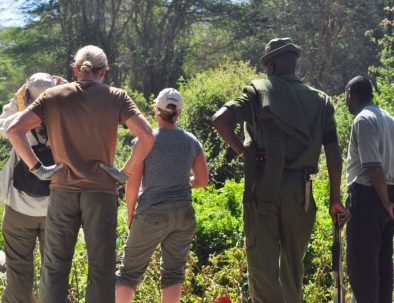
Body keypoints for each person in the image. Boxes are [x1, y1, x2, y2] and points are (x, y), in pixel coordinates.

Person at [6, 45, 155, 303]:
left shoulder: (53, 96)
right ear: (104, 72)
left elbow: (14, 130)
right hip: (101, 193)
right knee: (101, 268)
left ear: (75, 70)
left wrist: (39, 169)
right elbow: (147, 136)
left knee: (54, 268)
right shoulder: (117, 97)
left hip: (62, 191)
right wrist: (125, 172)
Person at [212, 37, 348, 303]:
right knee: (293, 267)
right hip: (302, 193)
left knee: (262, 267)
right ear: (295, 63)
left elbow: (220, 120)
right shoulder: (321, 101)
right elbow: (334, 153)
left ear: (271, 65)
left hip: (264, 188)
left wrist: (244, 151)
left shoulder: (257, 92)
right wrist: (335, 199)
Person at [114, 88, 208, 303]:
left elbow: (133, 183)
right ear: (179, 113)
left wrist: (130, 215)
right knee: (173, 275)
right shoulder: (192, 141)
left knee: (128, 274)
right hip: (184, 214)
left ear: (156, 111)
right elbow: (202, 181)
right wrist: (181, 183)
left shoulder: (146, 140)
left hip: (152, 213)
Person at [0, 73, 64, 303]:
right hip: (55, 211)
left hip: (19, 210)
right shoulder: (65, 117)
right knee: (54, 270)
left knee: (18, 271)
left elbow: (2, 124)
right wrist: (64, 91)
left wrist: (20, 97)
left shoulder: (17, 122)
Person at [344, 76, 394, 303]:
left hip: (369, 197)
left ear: (350, 93)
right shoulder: (389, 119)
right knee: (383, 266)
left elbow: (373, 167)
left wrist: (384, 202)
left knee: (362, 269)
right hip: (388, 199)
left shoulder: (363, 119)